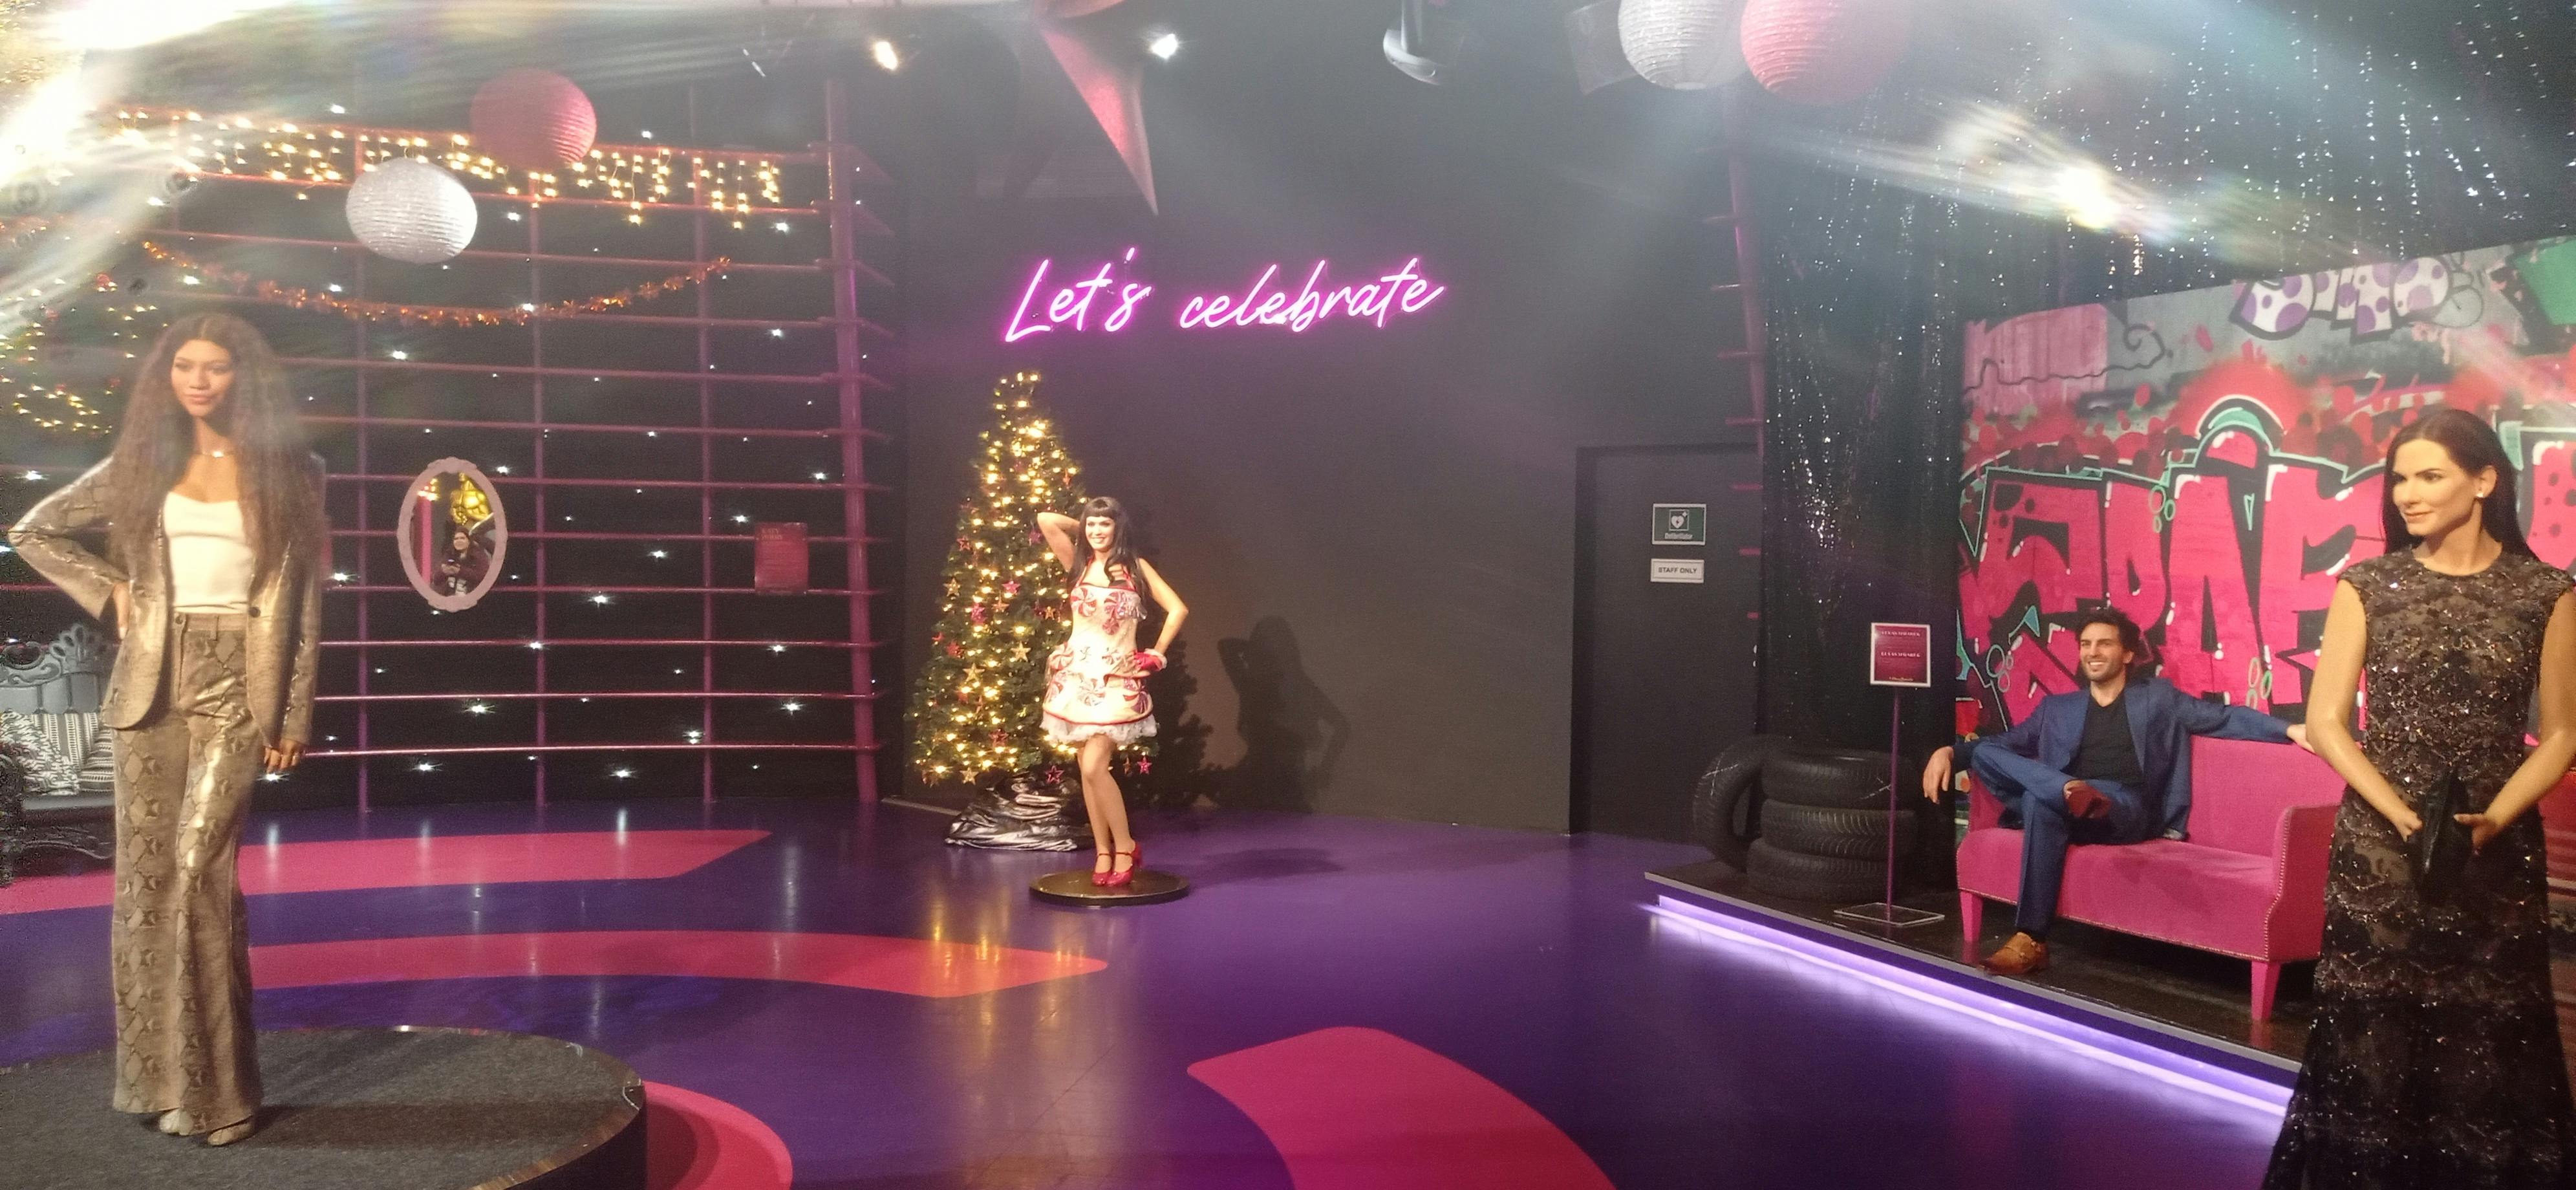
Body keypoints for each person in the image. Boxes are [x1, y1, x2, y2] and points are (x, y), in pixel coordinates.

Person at [8, 312, 327, 1147]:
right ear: (168, 376)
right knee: (146, 886)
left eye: (215, 367)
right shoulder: (142, 464)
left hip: (239, 683)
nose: (199, 380)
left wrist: (291, 712)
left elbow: (303, 603)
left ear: (243, 377)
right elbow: (34, 529)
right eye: (185, 366)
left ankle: (222, 1095)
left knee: (196, 873)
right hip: (152, 681)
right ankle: (156, 1082)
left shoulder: (293, 472)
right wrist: (113, 589)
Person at [2264, 409, 2576, 1187]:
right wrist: (2400, 814)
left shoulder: (2546, 592)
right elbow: (2327, 723)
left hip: (2496, 847)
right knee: (2372, 1037)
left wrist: (2495, 818)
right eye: (2400, 477)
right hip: (2379, 852)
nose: (2408, 492)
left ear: (2484, 480)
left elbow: (2565, 733)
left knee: (2488, 1040)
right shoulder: (2369, 585)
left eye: (2430, 475)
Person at [1922, 607, 2299, 975]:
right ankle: (2064, 793)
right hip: (2071, 806)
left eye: (2104, 644)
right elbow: (2003, 744)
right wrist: (1949, 752)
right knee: (1991, 757)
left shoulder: (2158, 698)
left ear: (2128, 654)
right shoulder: (2058, 708)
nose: (2093, 652)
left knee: (2041, 799)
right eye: (2086, 644)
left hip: (2123, 808)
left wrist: (2289, 729)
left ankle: (2030, 936)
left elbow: (2223, 718)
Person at [1035, 497, 1186, 887]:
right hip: (1076, 677)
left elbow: (1178, 609)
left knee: (1093, 767)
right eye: (1092, 524)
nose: (1096, 531)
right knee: (1088, 773)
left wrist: (1156, 654)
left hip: (1117, 679)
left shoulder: (1136, 568)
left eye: (1105, 524)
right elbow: (1047, 519)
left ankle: (1126, 845)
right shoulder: (1078, 563)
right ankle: (1103, 852)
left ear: (1119, 528)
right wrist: (1085, 527)